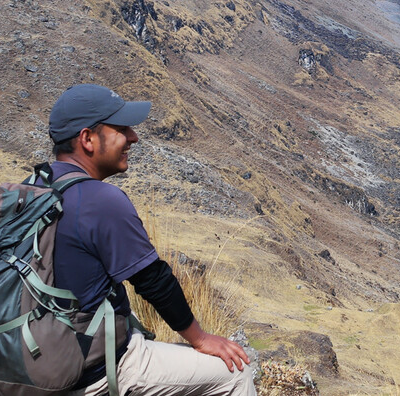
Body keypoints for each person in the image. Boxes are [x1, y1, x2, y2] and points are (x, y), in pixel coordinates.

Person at [46, 83, 254, 396]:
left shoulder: (33, 188)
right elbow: (153, 281)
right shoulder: (100, 199)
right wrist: (200, 339)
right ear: (87, 139)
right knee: (237, 372)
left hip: (38, 359)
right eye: (121, 128)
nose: (133, 137)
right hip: (92, 372)